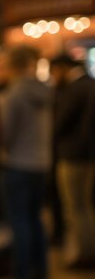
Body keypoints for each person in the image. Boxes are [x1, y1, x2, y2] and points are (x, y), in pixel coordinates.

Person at [0, 45, 52, 279]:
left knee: (19, 221)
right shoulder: (44, 91)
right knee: (36, 219)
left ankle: (21, 278)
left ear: (13, 66)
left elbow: (5, 133)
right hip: (41, 163)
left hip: (18, 163)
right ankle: (41, 273)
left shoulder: (15, 94)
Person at [51, 54, 95, 268]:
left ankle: (83, 254)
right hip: (87, 156)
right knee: (85, 205)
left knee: (75, 207)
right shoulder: (90, 84)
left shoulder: (74, 89)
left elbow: (60, 124)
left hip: (72, 156)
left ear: (62, 68)